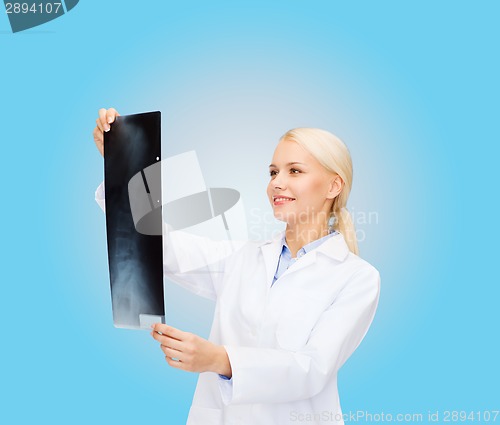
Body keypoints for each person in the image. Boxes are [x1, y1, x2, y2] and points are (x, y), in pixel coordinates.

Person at [93, 108, 381, 425]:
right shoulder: (243, 258)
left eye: (295, 171)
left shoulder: (357, 278)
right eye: (273, 173)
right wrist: (122, 163)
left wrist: (219, 359)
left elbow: (312, 369)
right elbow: (162, 246)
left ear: (333, 186)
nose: (277, 183)